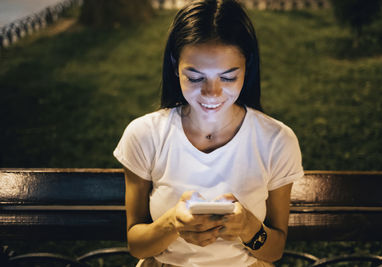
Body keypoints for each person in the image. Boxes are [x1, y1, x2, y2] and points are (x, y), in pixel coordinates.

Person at [113, 0, 304, 266]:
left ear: (246, 68)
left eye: (227, 77)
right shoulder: (145, 135)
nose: (211, 93)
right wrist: (172, 223)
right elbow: (137, 244)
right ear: (174, 66)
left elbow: (274, 252)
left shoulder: (276, 141)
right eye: (195, 77)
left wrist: (248, 227)